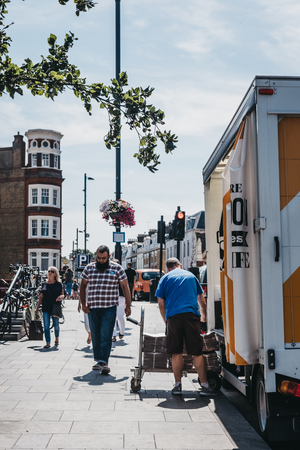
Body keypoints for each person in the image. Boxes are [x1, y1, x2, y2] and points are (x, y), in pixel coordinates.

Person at [155, 257, 218, 396]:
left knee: (176, 352)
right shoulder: (191, 276)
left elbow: (160, 303)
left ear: (167, 268)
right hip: (191, 316)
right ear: (180, 265)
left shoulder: (165, 279)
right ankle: (205, 385)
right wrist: (203, 319)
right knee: (196, 351)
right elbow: (201, 300)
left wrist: (166, 320)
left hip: (174, 317)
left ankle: (177, 386)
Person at [80, 245, 131, 374]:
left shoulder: (117, 268)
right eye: (98, 258)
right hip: (93, 307)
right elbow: (82, 286)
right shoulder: (89, 268)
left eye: (103, 258)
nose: (100, 260)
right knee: (95, 335)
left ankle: (103, 361)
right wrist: (83, 304)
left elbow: (125, 287)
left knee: (106, 335)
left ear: (109, 256)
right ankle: (98, 359)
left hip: (109, 307)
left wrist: (128, 305)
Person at [35, 266, 64, 349]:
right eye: (49, 271)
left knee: (56, 325)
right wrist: (37, 308)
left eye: (52, 271)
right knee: (46, 325)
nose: (50, 272)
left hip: (55, 306)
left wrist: (61, 297)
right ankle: (48, 342)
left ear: (55, 274)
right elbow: (41, 297)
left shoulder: (59, 284)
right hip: (46, 307)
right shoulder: (44, 284)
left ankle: (57, 338)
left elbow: (63, 294)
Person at [111, 259, 126, 342]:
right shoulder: (108, 274)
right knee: (112, 318)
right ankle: (113, 335)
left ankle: (121, 332)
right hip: (111, 298)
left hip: (121, 298)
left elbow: (126, 288)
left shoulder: (122, 273)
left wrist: (128, 301)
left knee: (120, 317)